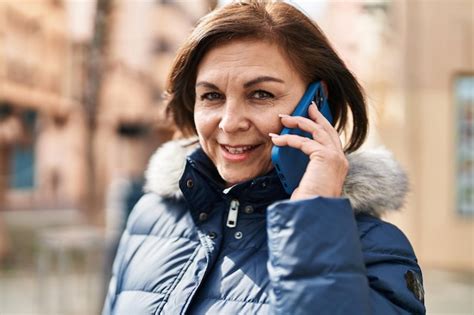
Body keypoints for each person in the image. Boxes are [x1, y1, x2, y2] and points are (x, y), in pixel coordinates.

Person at [103, 1, 426, 314]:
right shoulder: (151, 216)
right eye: (212, 95)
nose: (230, 122)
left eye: (261, 94)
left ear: (317, 103)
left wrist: (313, 222)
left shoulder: (377, 250)